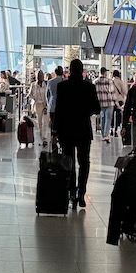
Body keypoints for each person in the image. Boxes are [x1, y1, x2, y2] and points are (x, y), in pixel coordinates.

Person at [52, 59, 99, 210]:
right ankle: (81, 193)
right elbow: (97, 108)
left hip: (66, 130)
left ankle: (71, 191)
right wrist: (86, 111)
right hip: (83, 129)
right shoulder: (89, 87)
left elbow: (58, 110)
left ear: (70, 70)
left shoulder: (62, 86)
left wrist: (55, 131)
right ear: (82, 70)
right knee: (84, 162)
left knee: (69, 161)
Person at [94, 66, 123, 141]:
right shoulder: (109, 81)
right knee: (108, 118)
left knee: (103, 118)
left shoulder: (96, 81)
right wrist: (117, 104)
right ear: (105, 73)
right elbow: (112, 93)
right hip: (109, 102)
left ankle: (103, 134)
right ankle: (106, 135)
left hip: (101, 103)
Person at [44, 65, 66, 134]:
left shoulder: (50, 82)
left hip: (52, 105)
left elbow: (47, 94)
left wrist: (48, 103)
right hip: (63, 106)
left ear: (55, 72)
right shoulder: (65, 81)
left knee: (53, 122)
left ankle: (53, 137)